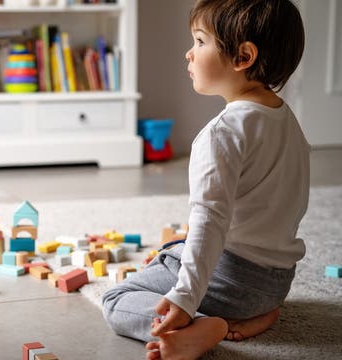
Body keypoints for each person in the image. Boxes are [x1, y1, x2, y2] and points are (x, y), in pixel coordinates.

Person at [102, 0, 310, 359]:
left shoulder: (221, 133)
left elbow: (209, 222)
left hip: (229, 279)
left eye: (200, 41)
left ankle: (204, 325)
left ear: (242, 56)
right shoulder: (287, 121)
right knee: (172, 256)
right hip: (275, 283)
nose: (188, 54)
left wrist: (184, 298)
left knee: (117, 298)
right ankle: (251, 315)